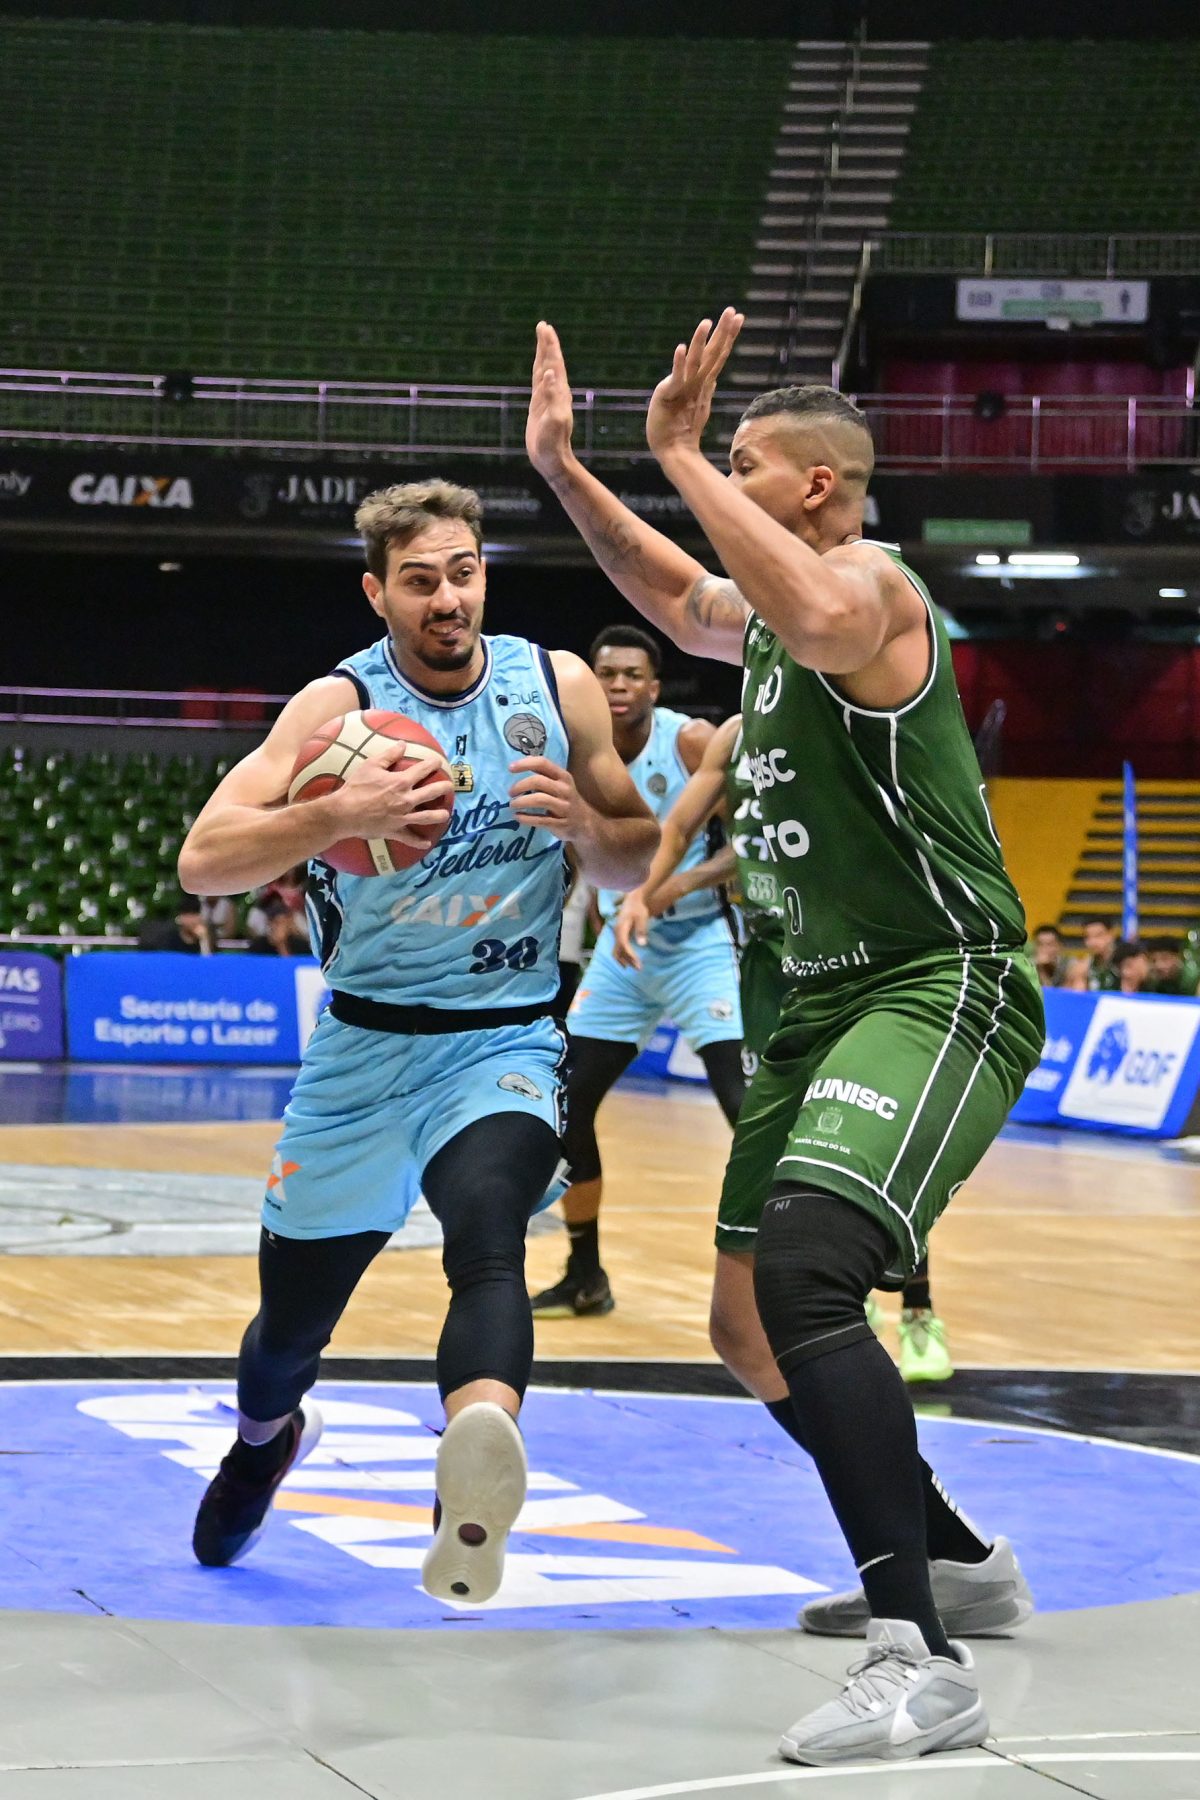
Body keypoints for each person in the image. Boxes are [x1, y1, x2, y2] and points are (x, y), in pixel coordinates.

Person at [527, 313, 1041, 1765]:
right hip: (813, 999)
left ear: (815, 485)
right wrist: (569, 471)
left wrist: (682, 449)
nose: (718, 485)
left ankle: (919, 1660)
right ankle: (955, 1560)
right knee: (746, 1326)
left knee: (812, 1273)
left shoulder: (873, 586)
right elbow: (677, 588)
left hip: (937, 981)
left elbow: (812, 613)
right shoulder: (766, 620)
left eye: (746, 466)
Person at [177, 478, 656, 1604]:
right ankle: (264, 1440)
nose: (448, 598)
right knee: (288, 1335)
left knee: (489, 1237)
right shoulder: (335, 708)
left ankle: (473, 1467)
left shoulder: (556, 685)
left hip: (503, 1040)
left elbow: (638, 851)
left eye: (464, 573)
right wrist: (335, 816)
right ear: (377, 593)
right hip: (360, 1053)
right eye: (420, 580)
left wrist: (588, 828)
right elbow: (203, 861)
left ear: (485, 574)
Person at [614, 713, 955, 1385]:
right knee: (786, 1146)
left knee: (880, 1146)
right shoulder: (735, 735)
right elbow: (680, 828)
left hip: (859, 955)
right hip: (773, 961)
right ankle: (843, 1287)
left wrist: (675, 886)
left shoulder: (847, 719)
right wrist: (642, 893)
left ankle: (919, 1310)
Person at [530, 623, 745, 1319]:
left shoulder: (691, 742)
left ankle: (789, 1274)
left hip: (701, 942)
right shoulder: (577, 750)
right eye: (607, 674)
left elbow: (751, 846)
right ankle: (585, 1275)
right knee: (565, 1106)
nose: (618, 685)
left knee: (744, 1106)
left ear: (654, 686)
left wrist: (672, 887)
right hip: (624, 952)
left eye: (632, 675)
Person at [136, 893, 214, 953]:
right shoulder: (170, 938)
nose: (191, 920)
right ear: (180, 917)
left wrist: (204, 939)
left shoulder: (208, 936)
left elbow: (208, 961)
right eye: (187, 915)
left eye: (194, 914)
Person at [246, 896, 311, 957]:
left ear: (289, 924)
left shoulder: (301, 946)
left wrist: (281, 945)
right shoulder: (258, 947)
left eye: (278, 923)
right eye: (270, 923)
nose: (273, 927)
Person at [1066, 914, 1117, 991]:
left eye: (1098, 935)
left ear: (1111, 935)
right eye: (1088, 937)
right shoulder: (1084, 967)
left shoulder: (1124, 963)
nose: (1092, 942)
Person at [1031, 922, 1069, 988]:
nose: (1044, 949)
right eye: (1040, 944)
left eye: (1050, 944)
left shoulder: (1069, 966)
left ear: (1060, 946)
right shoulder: (1028, 966)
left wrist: (1042, 971)